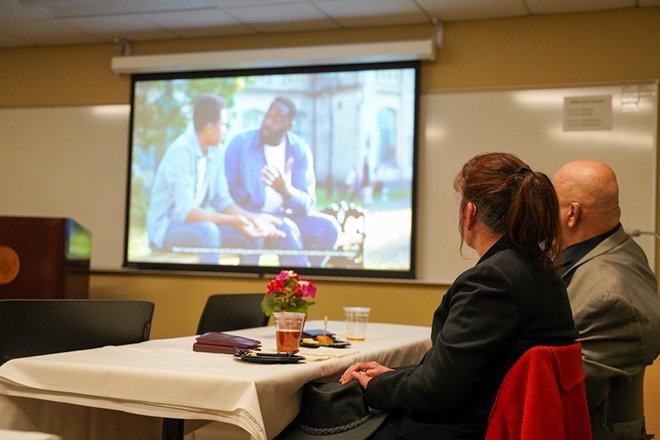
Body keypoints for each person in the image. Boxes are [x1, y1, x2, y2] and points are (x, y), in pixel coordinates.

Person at [335, 153, 577, 439]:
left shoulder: (492, 281)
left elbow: (434, 395)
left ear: (470, 212)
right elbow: (460, 373)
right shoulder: (541, 271)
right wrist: (391, 376)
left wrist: (373, 386)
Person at [552, 160, 660, 440]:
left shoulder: (609, 297)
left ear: (572, 214)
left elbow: (564, 400)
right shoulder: (617, 247)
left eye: (551, 203)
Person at [146, 94, 283, 264]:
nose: (226, 129)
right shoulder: (181, 152)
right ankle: (209, 288)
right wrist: (233, 220)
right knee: (208, 231)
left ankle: (243, 288)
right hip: (167, 229)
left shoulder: (215, 151)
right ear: (210, 127)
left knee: (250, 233)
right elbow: (187, 213)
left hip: (196, 225)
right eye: (224, 124)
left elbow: (222, 200)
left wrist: (253, 219)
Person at [224, 96, 340, 267]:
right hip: (250, 217)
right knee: (286, 228)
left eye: (277, 119)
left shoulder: (299, 149)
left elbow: (308, 204)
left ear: (288, 126)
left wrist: (286, 191)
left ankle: (303, 280)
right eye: (267, 116)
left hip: (289, 216)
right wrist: (252, 217)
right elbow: (223, 195)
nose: (268, 123)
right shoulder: (240, 144)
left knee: (329, 228)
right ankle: (299, 288)